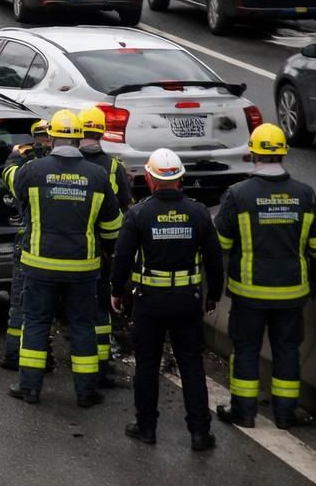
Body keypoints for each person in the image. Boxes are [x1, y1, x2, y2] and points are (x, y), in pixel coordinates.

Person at [4, 110, 123, 408]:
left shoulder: (32, 170)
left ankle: (29, 388)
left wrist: (15, 157)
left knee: (35, 323)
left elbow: (10, 180)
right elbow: (112, 227)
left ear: (52, 137)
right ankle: (86, 392)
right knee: (83, 326)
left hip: (39, 265)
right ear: (79, 138)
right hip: (83, 268)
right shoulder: (97, 175)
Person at [214, 123, 316, 431]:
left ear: (253, 154)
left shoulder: (238, 195)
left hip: (249, 293)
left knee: (246, 350)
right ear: (283, 154)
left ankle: (243, 411)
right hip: (292, 293)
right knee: (287, 351)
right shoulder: (305, 195)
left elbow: (220, 244)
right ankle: (285, 415)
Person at [111, 148, 224, 451]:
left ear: (150, 179)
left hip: (150, 301)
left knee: (147, 364)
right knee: (192, 365)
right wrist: (214, 294)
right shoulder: (198, 212)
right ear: (180, 179)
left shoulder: (139, 213)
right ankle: (200, 432)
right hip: (188, 300)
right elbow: (214, 259)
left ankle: (146, 427)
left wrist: (116, 291)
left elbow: (122, 257)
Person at [78, 106, 134, 387]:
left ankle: (80, 358)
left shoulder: (70, 165)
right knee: (101, 307)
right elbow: (125, 207)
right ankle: (102, 362)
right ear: (102, 132)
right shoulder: (112, 167)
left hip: (73, 245)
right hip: (103, 248)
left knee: (77, 309)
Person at [1, 118, 55, 371]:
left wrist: (15, 157)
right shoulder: (57, 164)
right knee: (43, 307)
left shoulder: (25, 164)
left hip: (28, 242)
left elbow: (10, 179)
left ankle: (15, 355)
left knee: (21, 303)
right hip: (51, 243)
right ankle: (42, 354)